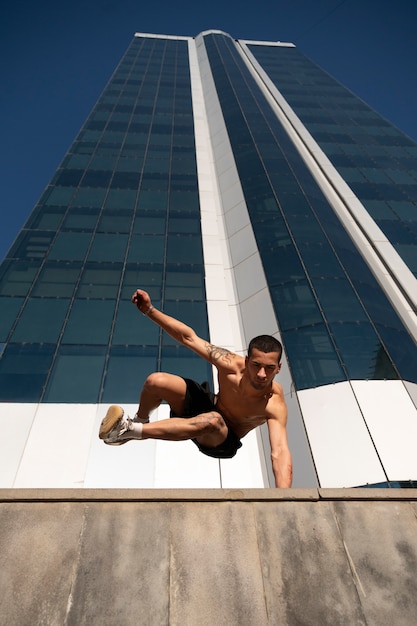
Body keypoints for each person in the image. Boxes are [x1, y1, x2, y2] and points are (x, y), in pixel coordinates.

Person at [99, 289, 293, 488]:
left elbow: (279, 452)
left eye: (269, 368)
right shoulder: (230, 364)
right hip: (208, 405)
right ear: (246, 361)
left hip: (222, 440)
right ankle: (138, 422)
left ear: (278, 368)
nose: (262, 374)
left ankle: (130, 430)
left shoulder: (273, 403)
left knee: (213, 420)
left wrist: (284, 500)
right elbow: (188, 338)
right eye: (256, 365)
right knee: (156, 381)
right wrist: (149, 310)